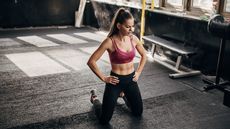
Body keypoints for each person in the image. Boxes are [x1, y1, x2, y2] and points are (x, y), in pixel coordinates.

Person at [87, 8, 147, 125]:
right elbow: (91, 61)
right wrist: (104, 78)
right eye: (128, 27)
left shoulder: (133, 39)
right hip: (115, 82)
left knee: (138, 112)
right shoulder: (109, 41)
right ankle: (94, 98)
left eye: (132, 26)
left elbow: (144, 55)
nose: (131, 29)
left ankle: (123, 94)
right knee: (104, 120)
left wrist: (138, 72)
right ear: (119, 26)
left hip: (131, 80)